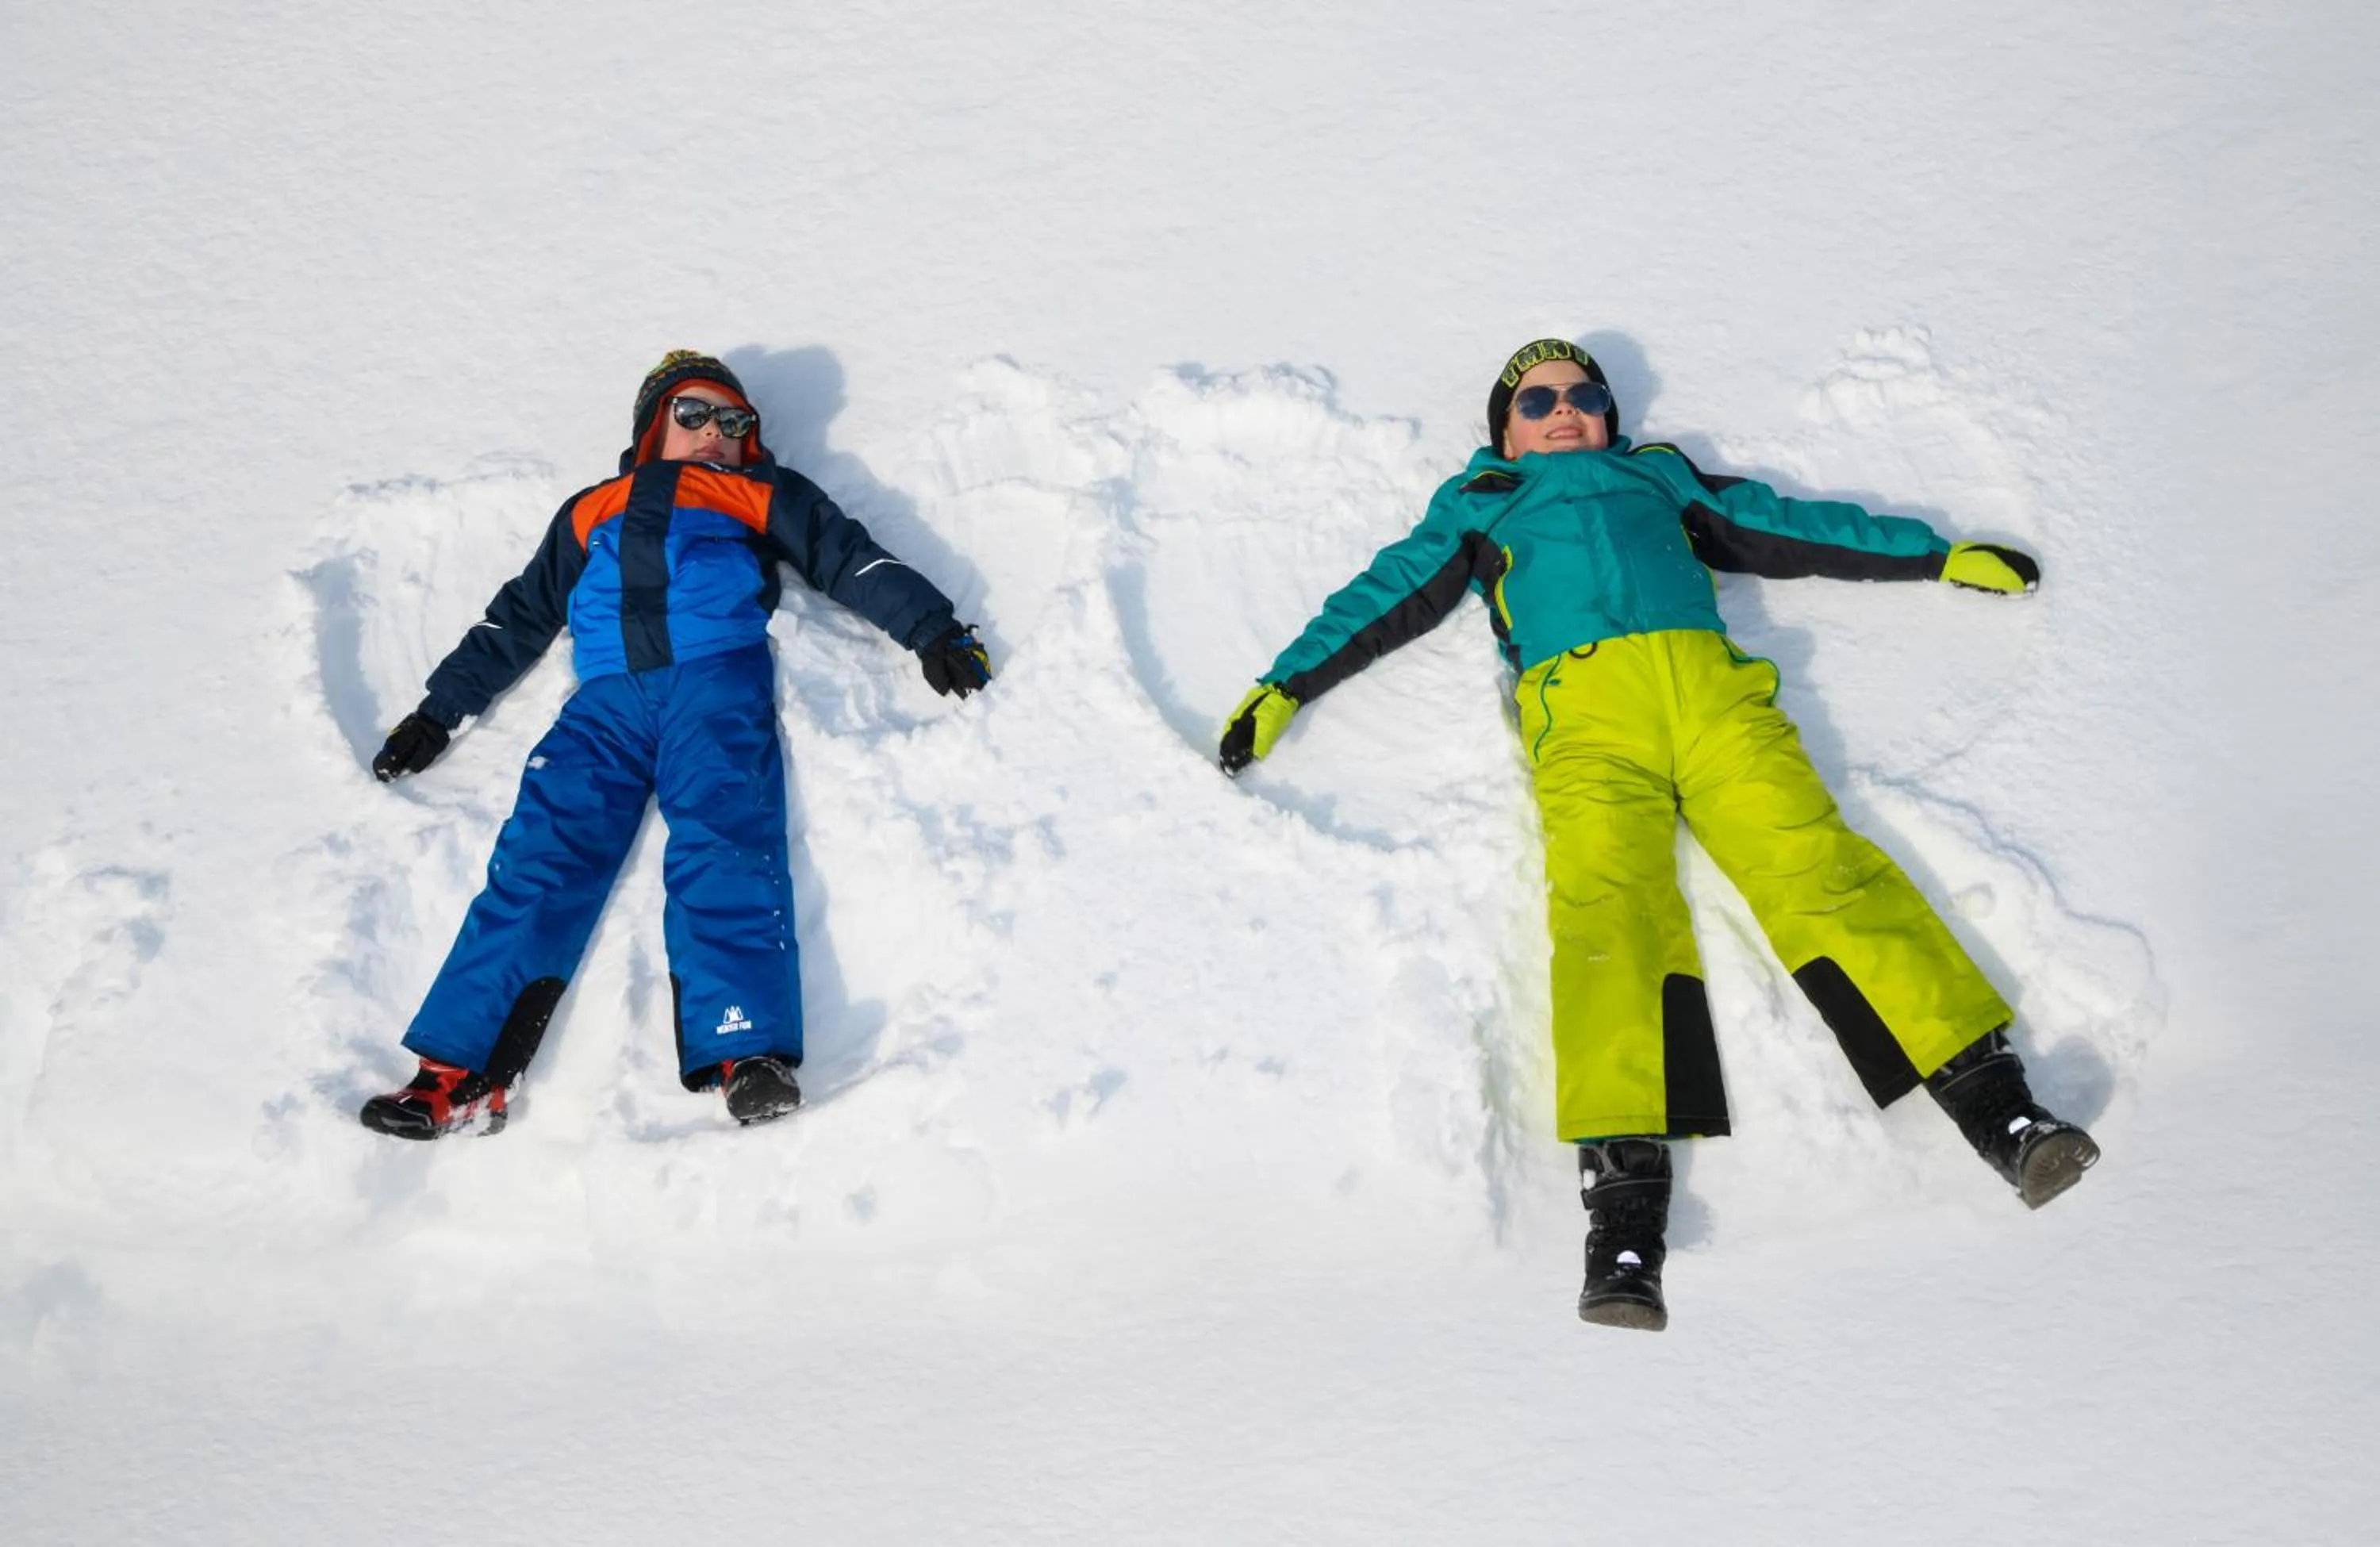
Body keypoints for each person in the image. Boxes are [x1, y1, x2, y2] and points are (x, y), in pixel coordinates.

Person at [1218, 338, 2098, 1330]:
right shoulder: (1482, 505)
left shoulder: (1662, 480)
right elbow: (1381, 597)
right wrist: (1284, 686)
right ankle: (1625, 1214)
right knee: (1609, 917)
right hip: (1588, 725)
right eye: (1538, 397)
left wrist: (1935, 556)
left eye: (1585, 394)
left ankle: (1999, 1108)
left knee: (1819, 870)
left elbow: (1792, 528)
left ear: (1610, 416)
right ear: (1503, 428)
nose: (1564, 409)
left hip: (1716, 704)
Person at [360, 350, 992, 1139]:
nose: (716, 434)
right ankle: (456, 1072)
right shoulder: (590, 509)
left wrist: (932, 628)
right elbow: (518, 617)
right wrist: (438, 711)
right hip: (603, 705)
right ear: (654, 425)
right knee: (537, 861)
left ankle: (747, 1049)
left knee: (724, 844)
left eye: (735, 423)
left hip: (714, 683)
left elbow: (848, 556)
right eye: (695, 415)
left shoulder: (759, 493)